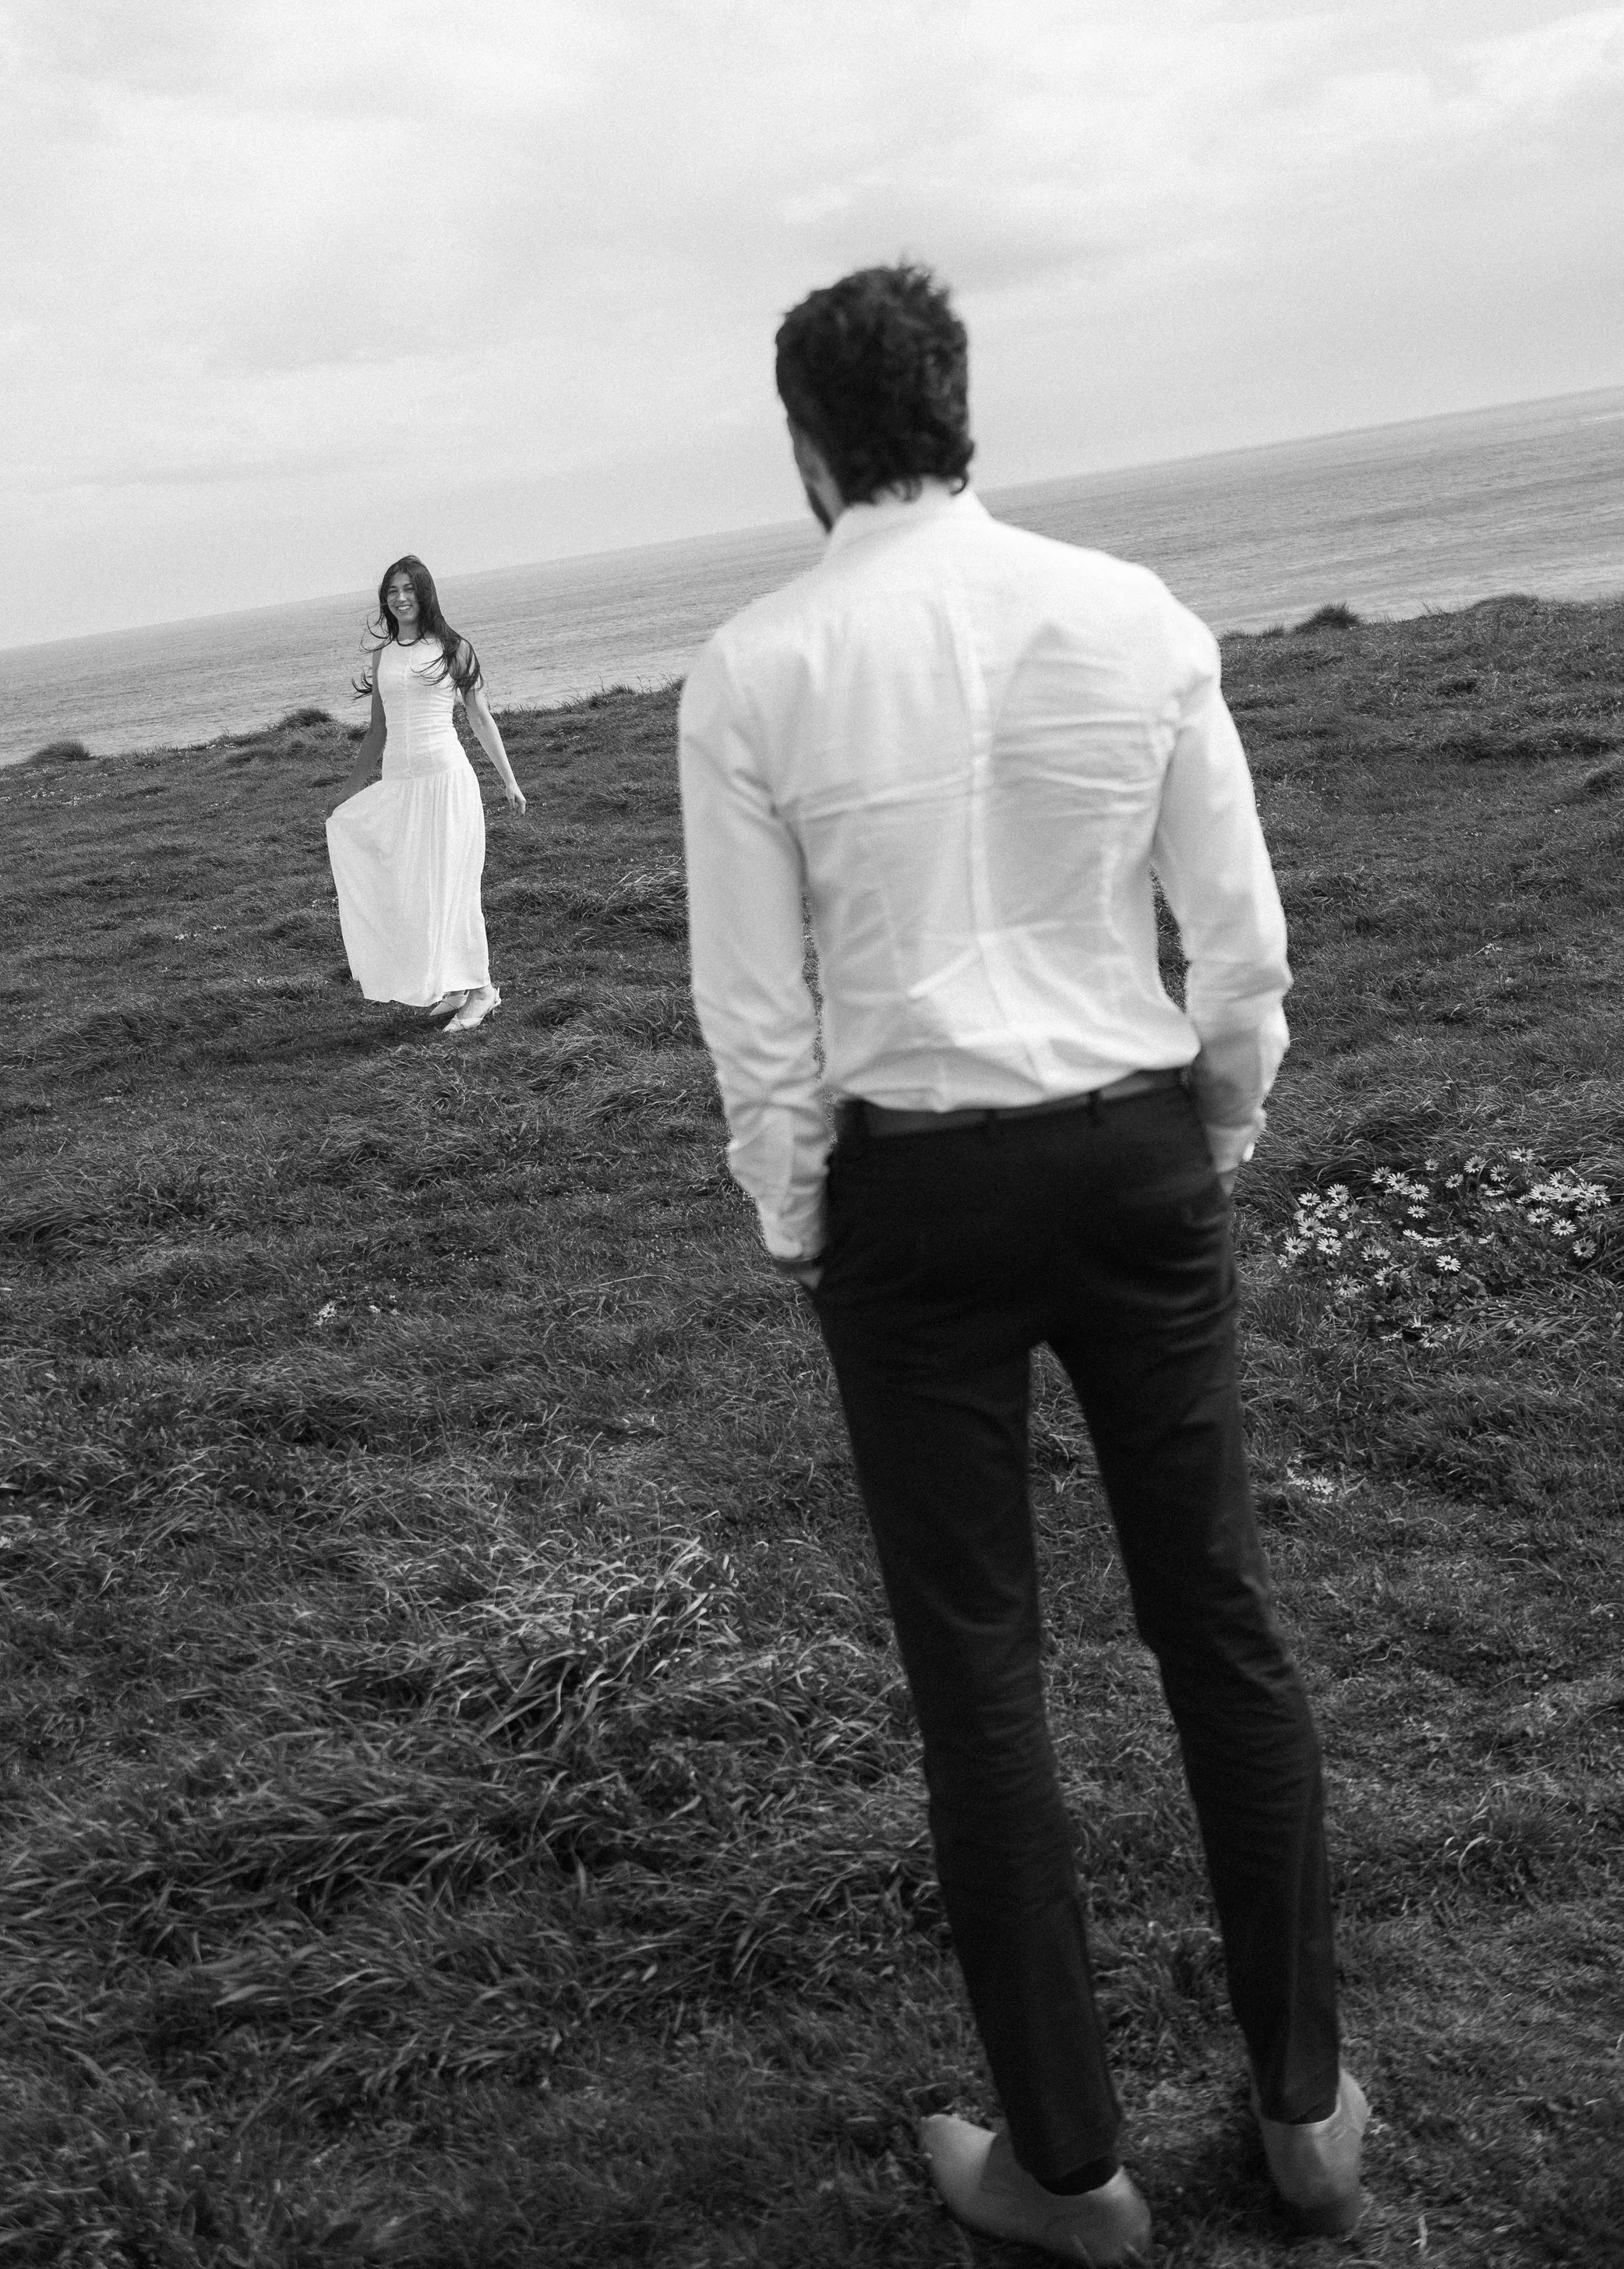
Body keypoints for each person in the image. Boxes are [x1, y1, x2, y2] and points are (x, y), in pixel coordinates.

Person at [676, 263, 1365, 2264]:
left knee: (979, 1675)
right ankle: (1308, 2110)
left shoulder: (753, 664)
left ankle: (1072, 2172)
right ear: (962, 409)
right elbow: (1238, 942)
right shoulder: (1132, 611)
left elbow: (755, 1009)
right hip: (1139, 1146)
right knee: (1216, 1612)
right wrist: (1211, 1132)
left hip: (916, 1193)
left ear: (804, 440)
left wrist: (802, 1216)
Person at [327, 553, 525, 1031]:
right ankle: (454, 986)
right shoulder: (384, 654)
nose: (401, 599)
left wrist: (509, 779)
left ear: (425, 593)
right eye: (392, 591)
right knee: (414, 885)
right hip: (401, 783)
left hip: (447, 779)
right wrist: (351, 788)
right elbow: (378, 730)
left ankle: (481, 989)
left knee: (456, 884)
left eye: (409, 590)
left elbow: (479, 717)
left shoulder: (454, 648)